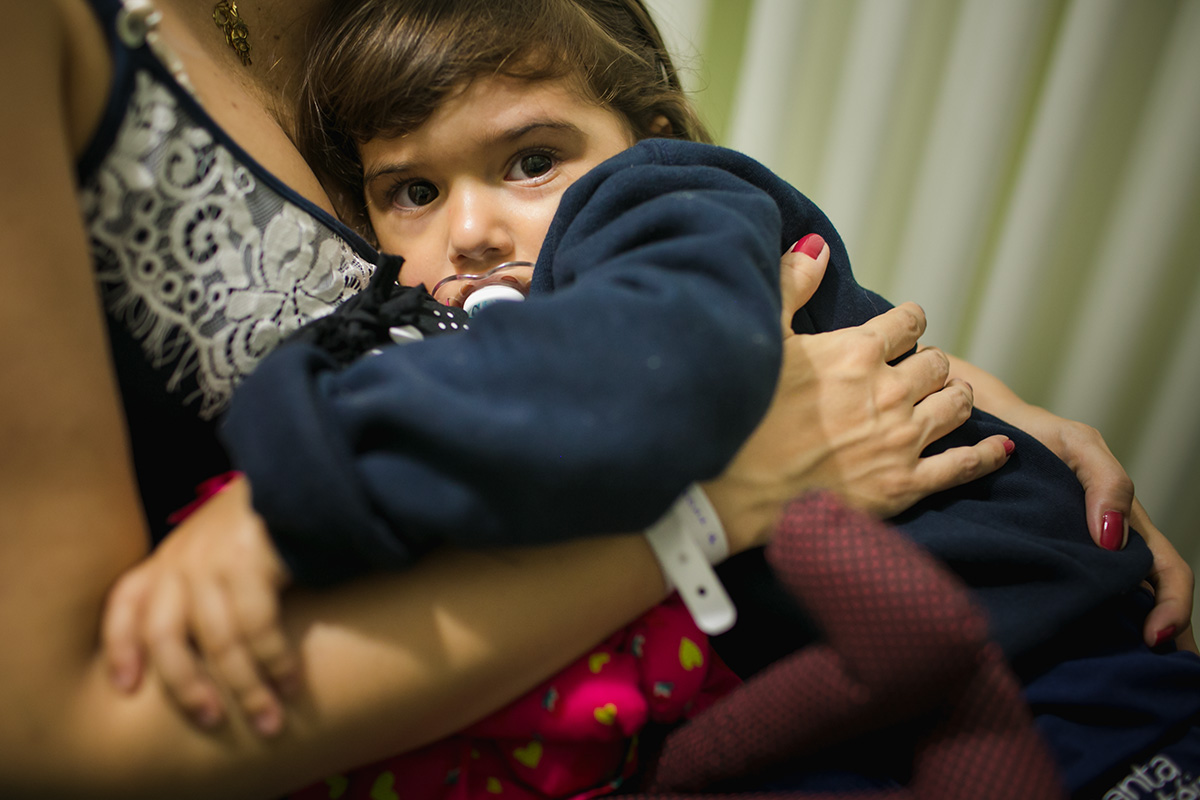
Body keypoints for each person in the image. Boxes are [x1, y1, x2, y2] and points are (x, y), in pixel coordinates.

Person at [0, 0, 1190, 798]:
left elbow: (656, 359)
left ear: (647, 136)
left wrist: (288, 497)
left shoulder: (658, 196)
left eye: (531, 162)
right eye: (411, 191)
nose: (472, 227)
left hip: (1058, 677)